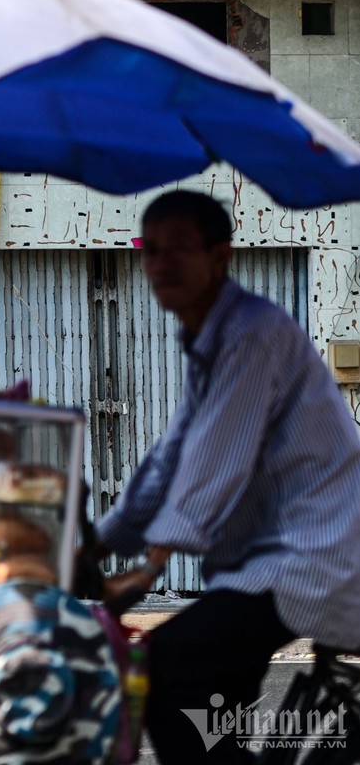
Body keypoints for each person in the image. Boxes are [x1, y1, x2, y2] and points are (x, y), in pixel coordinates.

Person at [95, 189, 360, 764]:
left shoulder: (252, 332)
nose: (161, 263)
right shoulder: (206, 340)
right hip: (273, 560)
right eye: (152, 249)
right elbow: (169, 457)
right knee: (212, 713)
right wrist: (96, 541)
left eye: (181, 248)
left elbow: (215, 462)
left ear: (221, 256)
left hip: (315, 556)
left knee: (168, 668)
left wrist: (145, 570)